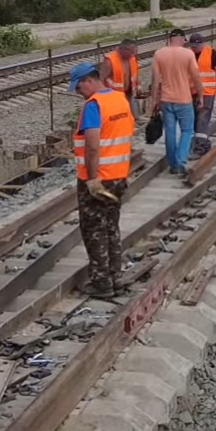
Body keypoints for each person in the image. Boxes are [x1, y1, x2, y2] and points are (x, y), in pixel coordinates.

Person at [69, 62, 134, 298]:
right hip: (118, 175)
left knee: (94, 230)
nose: (79, 92)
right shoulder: (119, 99)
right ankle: (116, 276)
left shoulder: (93, 106)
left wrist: (92, 179)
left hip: (99, 178)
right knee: (111, 227)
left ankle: (102, 283)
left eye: (78, 87)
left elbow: (93, 146)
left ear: (88, 80)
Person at [145, 28, 203, 177]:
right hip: (184, 100)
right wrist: (201, 96)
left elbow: (155, 80)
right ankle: (181, 161)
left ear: (169, 39)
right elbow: (196, 77)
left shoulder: (159, 54)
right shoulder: (188, 54)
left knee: (169, 132)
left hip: (166, 100)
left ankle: (173, 165)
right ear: (182, 39)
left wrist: (154, 100)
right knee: (187, 131)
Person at [188, 33, 216, 149]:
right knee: (194, 119)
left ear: (202, 43)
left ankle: (200, 145)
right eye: (192, 46)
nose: (194, 48)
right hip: (192, 93)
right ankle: (200, 141)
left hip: (207, 92)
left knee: (202, 118)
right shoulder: (188, 54)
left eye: (196, 46)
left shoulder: (211, 53)